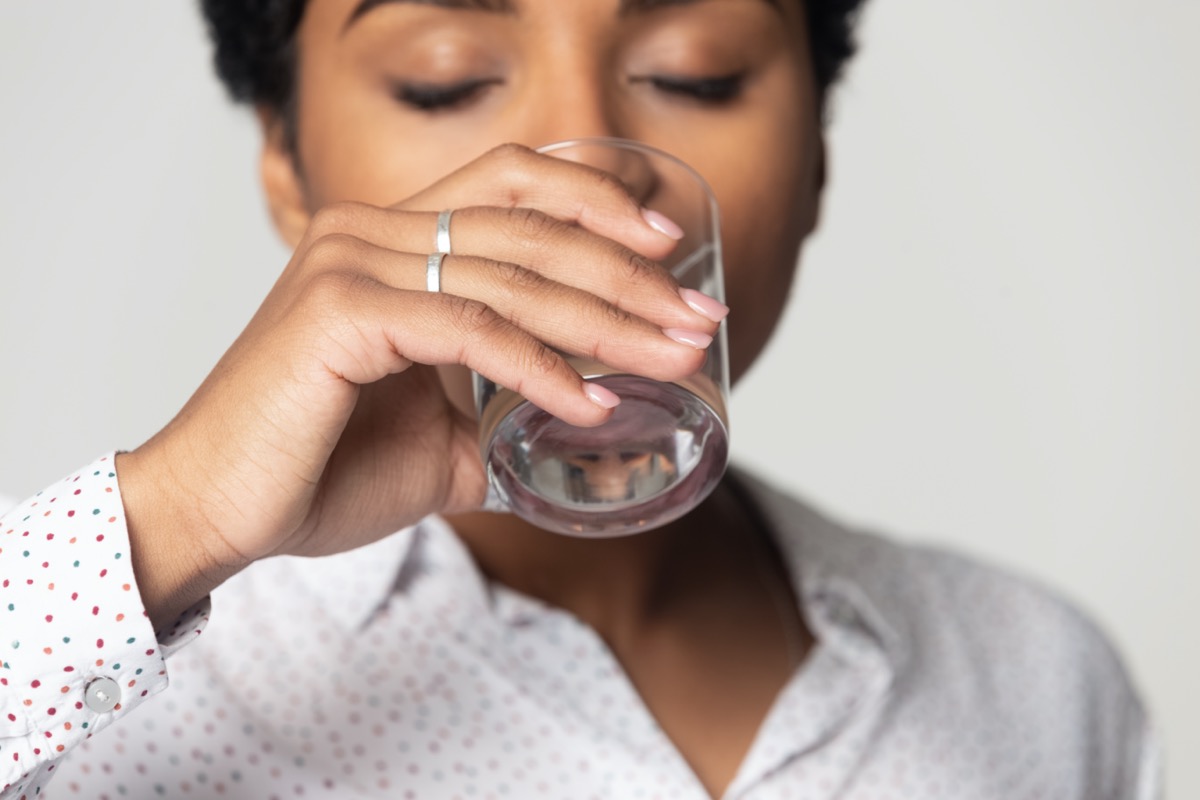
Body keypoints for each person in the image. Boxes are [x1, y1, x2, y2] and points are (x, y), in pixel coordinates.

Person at [0, 0, 1159, 797]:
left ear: (818, 156)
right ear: (286, 170)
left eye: (695, 69)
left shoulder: (1037, 676)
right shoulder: (111, 686)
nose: (582, 160)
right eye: (442, 77)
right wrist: (174, 520)